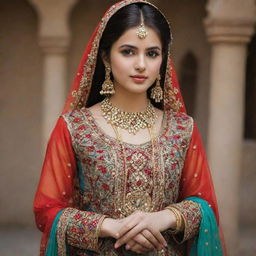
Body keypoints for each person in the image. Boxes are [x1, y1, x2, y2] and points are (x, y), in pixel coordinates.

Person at [34, 0, 225, 255]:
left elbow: (205, 206)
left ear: (163, 60)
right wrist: (112, 227)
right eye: (128, 51)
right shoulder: (74, 127)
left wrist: (164, 218)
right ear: (105, 57)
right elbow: (47, 210)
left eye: (152, 53)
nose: (141, 65)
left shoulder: (182, 129)